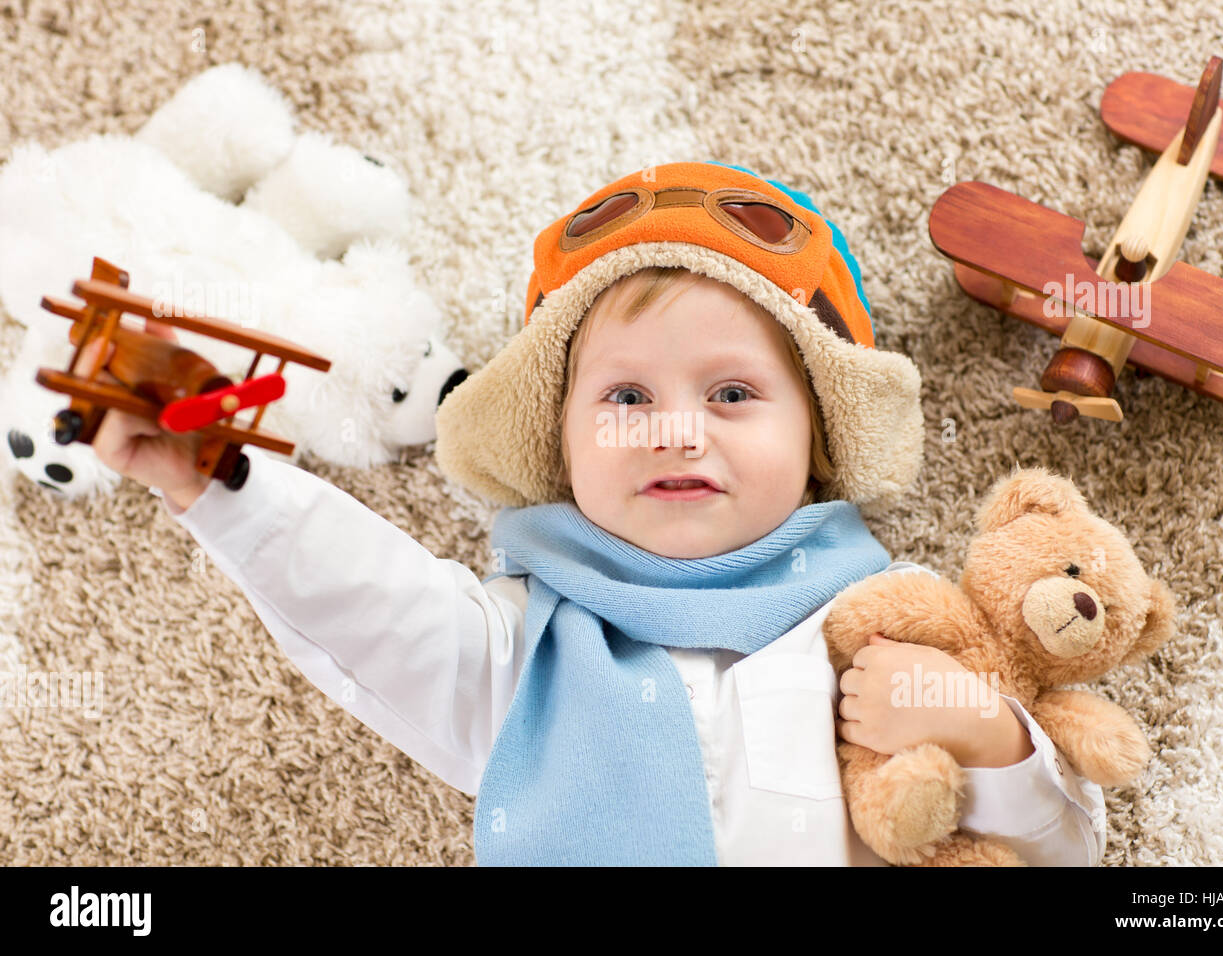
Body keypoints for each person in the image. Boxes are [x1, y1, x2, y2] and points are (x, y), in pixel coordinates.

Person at [82, 161, 1106, 866]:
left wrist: (984, 734)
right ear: (559, 450)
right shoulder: (521, 647)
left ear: (819, 441)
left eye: (732, 394)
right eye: (625, 399)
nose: (674, 433)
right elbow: (366, 599)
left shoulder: (892, 624)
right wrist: (214, 474)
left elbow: (1064, 845)